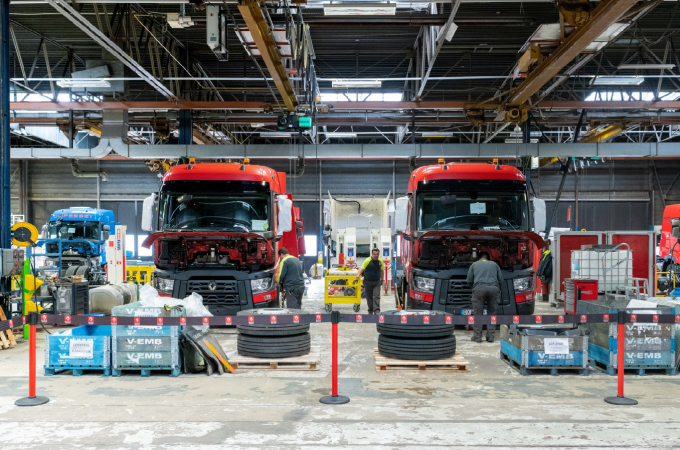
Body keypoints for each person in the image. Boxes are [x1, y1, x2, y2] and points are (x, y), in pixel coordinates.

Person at [466, 252, 503, 343]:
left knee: (478, 313)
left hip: (479, 289)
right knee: (492, 313)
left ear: (479, 258)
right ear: (488, 258)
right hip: (494, 289)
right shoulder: (495, 265)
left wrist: (474, 288)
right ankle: (490, 337)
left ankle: (477, 337)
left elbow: (469, 280)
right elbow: (501, 280)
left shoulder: (474, 265)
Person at [355, 248, 385, 314]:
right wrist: (357, 278)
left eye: (377, 254)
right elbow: (361, 269)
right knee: (369, 296)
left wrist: (382, 280)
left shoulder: (380, 261)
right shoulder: (367, 260)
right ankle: (370, 310)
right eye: (374, 254)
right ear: (372, 254)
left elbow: (382, 271)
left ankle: (377, 310)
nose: (376, 255)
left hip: (376, 281)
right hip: (367, 281)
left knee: (376, 296)